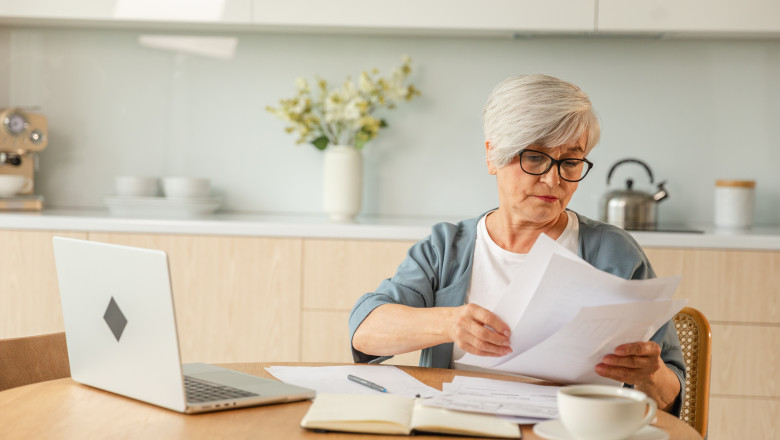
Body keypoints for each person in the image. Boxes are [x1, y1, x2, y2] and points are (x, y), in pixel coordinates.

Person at [348, 74, 685, 415]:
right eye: (535, 157)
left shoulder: (614, 253)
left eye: (570, 162)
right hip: (462, 428)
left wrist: (651, 374)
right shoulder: (447, 248)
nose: (554, 180)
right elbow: (365, 332)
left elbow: (670, 393)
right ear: (493, 156)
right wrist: (449, 323)